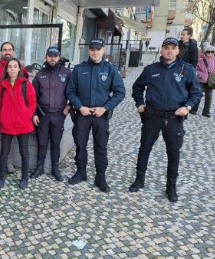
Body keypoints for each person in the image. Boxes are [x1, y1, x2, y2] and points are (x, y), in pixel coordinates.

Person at [130, 37, 202, 202]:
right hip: (152, 117)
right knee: (144, 148)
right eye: (166, 48)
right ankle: (139, 180)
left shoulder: (187, 70)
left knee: (173, 153)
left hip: (174, 118)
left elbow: (196, 93)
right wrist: (140, 103)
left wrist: (188, 107)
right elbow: (137, 87)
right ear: (161, 50)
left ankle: (171, 187)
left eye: (173, 48)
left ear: (178, 50)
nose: (169, 51)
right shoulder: (151, 69)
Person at [66, 38, 125, 193]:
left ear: (103, 50)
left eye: (98, 49)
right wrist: (80, 106)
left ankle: (100, 176)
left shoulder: (110, 69)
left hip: (101, 115)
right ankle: (81, 172)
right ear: (88, 50)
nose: (95, 52)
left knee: (101, 147)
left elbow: (120, 92)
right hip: (82, 114)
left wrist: (105, 108)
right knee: (80, 145)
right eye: (92, 49)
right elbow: (70, 91)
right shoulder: (79, 69)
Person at [30, 46, 71, 182]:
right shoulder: (40, 74)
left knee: (55, 143)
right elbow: (32, 97)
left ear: (59, 57)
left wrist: (69, 106)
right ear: (46, 57)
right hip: (43, 114)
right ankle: (39, 167)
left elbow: (73, 92)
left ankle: (55, 169)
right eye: (50, 56)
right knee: (41, 143)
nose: (52, 58)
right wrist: (34, 114)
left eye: (55, 56)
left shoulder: (66, 73)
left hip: (59, 114)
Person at [0, 58, 36, 189]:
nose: (12, 69)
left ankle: (24, 178)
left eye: (15, 66)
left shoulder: (26, 84)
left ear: (19, 69)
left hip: (23, 125)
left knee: (24, 152)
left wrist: (26, 116)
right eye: (10, 66)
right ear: (6, 70)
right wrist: (2, 118)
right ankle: (1, 177)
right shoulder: (2, 85)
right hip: (7, 125)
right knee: (4, 153)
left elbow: (32, 103)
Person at [0, 42, 29, 173]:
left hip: (13, 112)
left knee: (9, 139)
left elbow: (27, 91)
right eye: (4, 50)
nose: (7, 52)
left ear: (13, 51)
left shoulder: (20, 69)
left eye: (9, 50)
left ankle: (8, 163)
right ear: (1, 52)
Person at [190, 44, 214, 117]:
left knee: (209, 96)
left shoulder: (214, 60)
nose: (210, 53)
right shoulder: (200, 60)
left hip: (210, 81)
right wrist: (202, 75)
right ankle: (194, 109)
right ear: (205, 52)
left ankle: (206, 112)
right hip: (200, 81)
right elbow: (195, 69)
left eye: (212, 52)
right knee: (198, 95)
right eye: (208, 52)